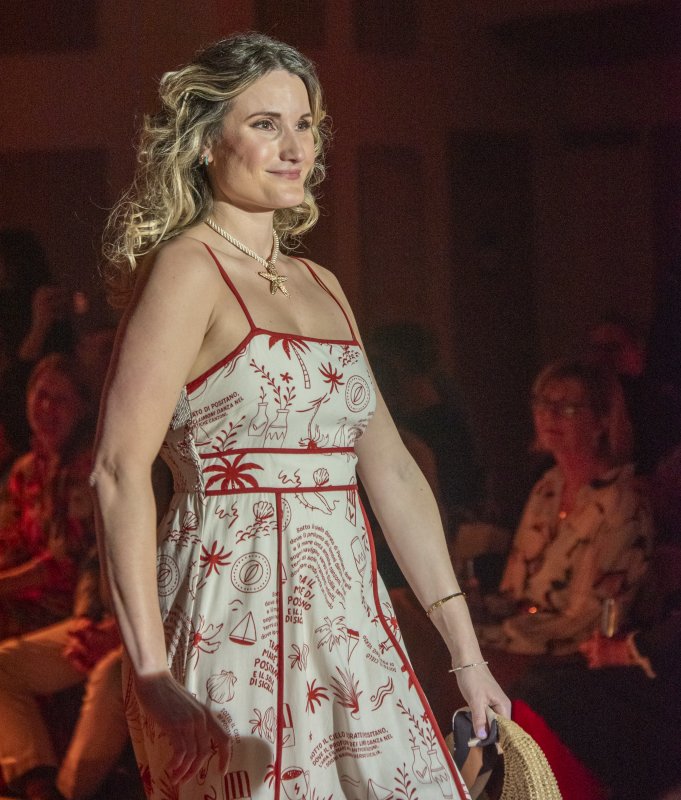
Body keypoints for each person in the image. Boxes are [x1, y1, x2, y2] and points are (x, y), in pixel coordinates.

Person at [91, 32, 509, 800]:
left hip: (348, 614)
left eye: (305, 124)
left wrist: (466, 655)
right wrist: (148, 670)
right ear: (206, 139)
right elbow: (118, 470)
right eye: (265, 124)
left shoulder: (322, 283)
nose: (295, 148)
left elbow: (390, 471)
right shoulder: (188, 268)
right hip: (231, 612)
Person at [480, 359, 654, 655]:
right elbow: (513, 590)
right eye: (543, 404)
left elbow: (584, 623)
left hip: (566, 660)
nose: (549, 415)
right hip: (517, 638)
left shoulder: (620, 505)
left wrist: (491, 639)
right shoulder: (548, 487)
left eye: (568, 408)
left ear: (602, 421)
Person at [0, 354, 95, 639]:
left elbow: (65, 563)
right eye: (41, 395)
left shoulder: (86, 468)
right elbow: (10, 542)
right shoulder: (26, 471)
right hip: (24, 600)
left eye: (60, 400)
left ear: (81, 408)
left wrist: (4, 584)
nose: (47, 407)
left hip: (68, 612)